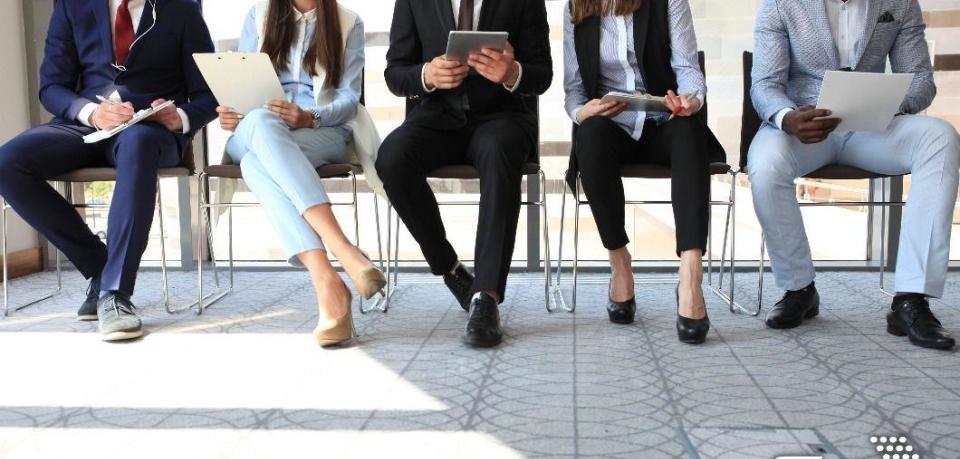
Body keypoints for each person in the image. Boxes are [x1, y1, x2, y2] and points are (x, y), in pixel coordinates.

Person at [0, 0, 217, 341]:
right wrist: (89, 112)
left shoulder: (182, 8)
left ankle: (115, 293)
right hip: (86, 123)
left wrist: (181, 117)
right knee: (8, 162)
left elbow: (207, 95)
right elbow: (51, 87)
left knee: (138, 144)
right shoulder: (72, 6)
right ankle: (100, 266)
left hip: (150, 129)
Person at [749, 0, 960, 350]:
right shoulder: (779, 5)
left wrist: (881, 106)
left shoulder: (899, 3)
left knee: (940, 137)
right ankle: (799, 288)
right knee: (766, 162)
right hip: (805, 128)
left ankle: (911, 299)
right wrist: (787, 118)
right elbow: (764, 85)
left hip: (874, 127)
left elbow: (921, 81)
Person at [376, 0, 552, 348]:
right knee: (392, 159)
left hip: (501, 117)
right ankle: (451, 269)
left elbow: (542, 73)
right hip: (437, 115)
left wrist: (512, 72)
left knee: (500, 152)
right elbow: (395, 73)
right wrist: (426, 75)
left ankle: (486, 297)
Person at [216, 0, 384, 347]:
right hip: (255, 129)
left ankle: (328, 284)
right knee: (261, 122)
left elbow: (350, 98)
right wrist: (233, 113)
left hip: (320, 132)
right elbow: (239, 89)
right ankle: (344, 251)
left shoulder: (347, 22)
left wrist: (310, 116)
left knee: (255, 164)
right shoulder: (258, 16)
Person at [563, 0, 726, 345]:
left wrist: (689, 100)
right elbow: (573, 88)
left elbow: (689, 69)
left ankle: (691, 274)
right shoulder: (576, 6)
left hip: (661, 122)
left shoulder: (668, 2)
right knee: (589, 133)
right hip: (611, 128)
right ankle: (619, 262)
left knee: (689, 129)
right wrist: (583, 110)